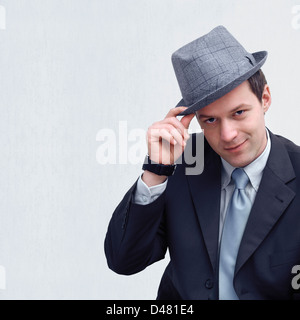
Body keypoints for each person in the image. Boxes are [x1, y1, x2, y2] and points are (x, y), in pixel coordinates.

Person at [104, 26, 300, 300]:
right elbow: (124, 260)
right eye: (210, 120)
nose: (228, 135)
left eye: (239, 113)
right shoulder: (181, 162)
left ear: (264, 99)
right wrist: (155, 171)